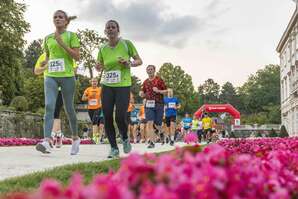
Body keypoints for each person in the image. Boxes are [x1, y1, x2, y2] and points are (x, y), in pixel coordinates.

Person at [34, 10, 80, 155]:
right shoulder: (47, 38)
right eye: (55, 17)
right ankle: (46, 141)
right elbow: (48, 56)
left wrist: (62, 43)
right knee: (49, 106)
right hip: (51, 76)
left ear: (66, 21)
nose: (57, 19)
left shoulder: (71, 36)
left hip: (67, 76)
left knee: (69, 108)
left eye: (60, 17)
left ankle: (75, 138)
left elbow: (77, 57)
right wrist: (44, 64)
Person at [95, 20, 142, 158]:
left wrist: (129, 63)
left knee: (120, 116)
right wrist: (98, 67)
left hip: (123, 85)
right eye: (108, 28)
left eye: (113, 27)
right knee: (107, 116)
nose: (110, 29)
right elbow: (100, 65)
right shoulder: (102, 48)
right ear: (105, 31)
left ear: (118, 30)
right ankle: (114, 148)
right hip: (107, 85)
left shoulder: (127, 44)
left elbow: (139, 61)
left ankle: (125, 137)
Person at [140, 65, 168, 148]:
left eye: (151, 69)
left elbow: (166, 91)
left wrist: (158, 91)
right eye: (148, 69)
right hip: (148, 105)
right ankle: (152, 142)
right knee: (150, 123)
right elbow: (143, 92)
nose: (150, 71)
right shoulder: (145, 82)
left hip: (159, 104)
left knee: (157, 124)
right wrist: (141, 94)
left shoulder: (159, 80)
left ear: (154, 70)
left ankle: (162, 132)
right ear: (146, 71)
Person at [82, 78, 103, 144]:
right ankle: (98, 137)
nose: (94, 82)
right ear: (91, 82)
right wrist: (89, 97)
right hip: (90, 109)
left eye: (95, 81)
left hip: (98, 108)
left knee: (94, 122)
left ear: (97, 82)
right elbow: (83, 98)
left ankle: (94, 138)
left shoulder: (100, 89)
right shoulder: (88, 89)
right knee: (95, 123)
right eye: (93, 81)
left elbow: (104, 97)